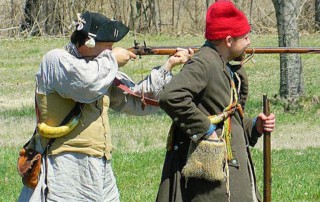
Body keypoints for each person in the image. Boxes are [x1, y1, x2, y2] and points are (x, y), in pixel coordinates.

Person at [18, 11, 193, 201]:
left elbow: (136, 100)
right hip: (65, 166)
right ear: (89, 42)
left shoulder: (99, 68)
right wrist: (112, 60)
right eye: (108, 46)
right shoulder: (56, 60)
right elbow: (86, 84)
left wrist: (168, 65)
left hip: (101, 165)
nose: (111, 50)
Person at [156, 1, 276, 201]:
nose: (248, 42)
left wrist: (255, 126)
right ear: (229, 40)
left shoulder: (223, 64)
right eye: (245, 37)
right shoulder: (204, 62)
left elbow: (226, 119)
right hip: (211, 184)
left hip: (231, 171)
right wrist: (205, 130)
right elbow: (171, 96)